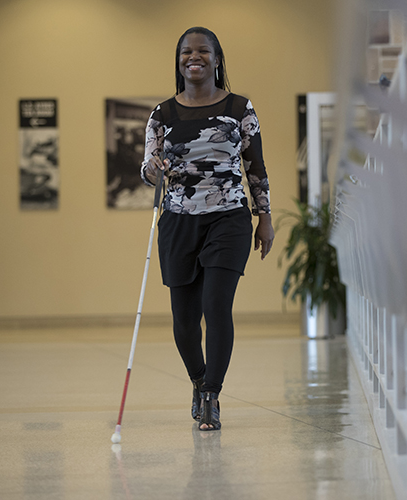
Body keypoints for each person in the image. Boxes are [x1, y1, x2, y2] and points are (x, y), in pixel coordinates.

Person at [140, 27, 274, 431]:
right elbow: (148, 169)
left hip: (228, 217)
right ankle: (198, 382)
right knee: (184, 319)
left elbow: (256, 168)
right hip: (178, 220)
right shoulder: (161, 115)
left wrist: (264, 216)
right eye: (186, 51)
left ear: (217, 60)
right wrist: (153, 169)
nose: (193, 57)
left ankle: (213, 395)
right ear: (179, 60)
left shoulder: (239, 108)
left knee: (217, 306)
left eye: (202, 51)